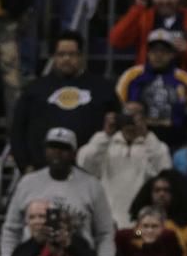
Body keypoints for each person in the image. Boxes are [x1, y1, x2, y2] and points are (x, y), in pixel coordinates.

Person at [1, 129, 115, 256]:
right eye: (52, 147)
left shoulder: (92, 186)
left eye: (64, 148)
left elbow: (105, 233)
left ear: (74, 153)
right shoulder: (27, 183)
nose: (57, 152)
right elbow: (11, 230)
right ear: (45, 150)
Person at [10, 31, 118, 173]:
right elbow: (18, 129)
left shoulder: (103, 88)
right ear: (54, 57)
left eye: (72, 54)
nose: (66, 59)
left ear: (81, 56)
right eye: (61, 54)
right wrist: (25, 165)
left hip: (91, 172)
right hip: (42, 172)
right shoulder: (35, 89)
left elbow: (116, 129)